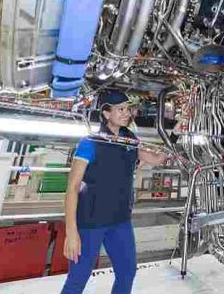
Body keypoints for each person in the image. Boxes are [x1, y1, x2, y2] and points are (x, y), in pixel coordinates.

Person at [61, 90, 167, 294]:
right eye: (120, 109)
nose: (126, 113)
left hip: (120, 220)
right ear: (106, 113)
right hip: (91, 222)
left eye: (127, 109)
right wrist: (71, 232)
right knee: (78, 279)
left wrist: (176, 132)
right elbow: (72, 187)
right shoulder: (90, 142)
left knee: (127, 273)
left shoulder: (130, 141)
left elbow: (157, 159)